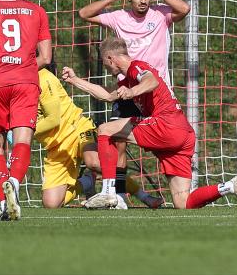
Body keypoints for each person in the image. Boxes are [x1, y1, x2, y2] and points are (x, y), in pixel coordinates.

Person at [62, 37, 237, 210]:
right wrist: (75, 80)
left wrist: (132, 92)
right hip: (183, 134)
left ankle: (108, 191)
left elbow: (152, 81)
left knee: (105, 129)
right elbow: (107, 95)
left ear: (110, 58)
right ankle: (230, 186)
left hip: (166, 124)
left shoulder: (136, 67)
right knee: (183, 202)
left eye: (105, 63)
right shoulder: (128, 80)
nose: (106, 68)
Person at [78, 0, 189, 204]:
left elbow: (184, 9)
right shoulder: (119, 17)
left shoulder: (161, 14)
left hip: (153, 91)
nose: (143, 0)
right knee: (117, 142)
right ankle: (117, 195)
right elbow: (84, 14)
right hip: (128, 89)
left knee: (154, 140)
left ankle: (142, 193)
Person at [34, 63, 164, 209]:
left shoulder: (43, 77)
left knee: (95, 163)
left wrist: (24, 132)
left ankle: (142, 195)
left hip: (77, 128)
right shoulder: (15, 88)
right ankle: (88, 182)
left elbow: (53, 119)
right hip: (56, 146)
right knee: (51, 204)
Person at [0, 0, 52, 221]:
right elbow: (46, 57)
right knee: (22, 141)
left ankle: (4, 203)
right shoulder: (37, 11)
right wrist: (21, 67)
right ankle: (14, 183)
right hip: (26, 82)